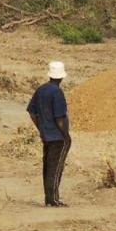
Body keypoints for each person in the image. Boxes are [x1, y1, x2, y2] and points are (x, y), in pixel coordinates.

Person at [27, 61, 72, 208]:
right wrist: (66, 135)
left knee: (47, 166)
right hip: (57, 137)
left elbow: (32, 112)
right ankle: (53, 199)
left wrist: (41, 128)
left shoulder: (41, 89)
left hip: (46, 135)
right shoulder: (57, 93)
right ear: (61, 78)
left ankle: (49, 198)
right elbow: (59, 118)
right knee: (56, 167)